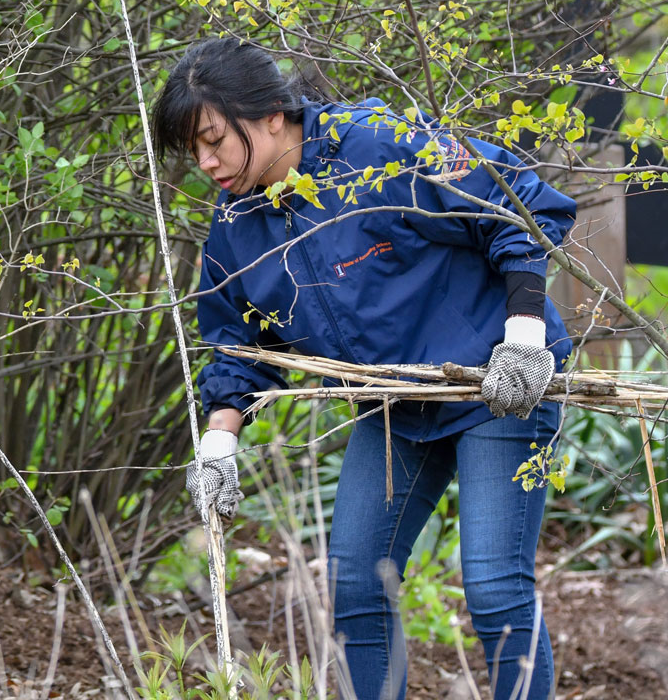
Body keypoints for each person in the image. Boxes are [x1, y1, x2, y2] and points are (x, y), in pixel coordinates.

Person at [152, 38, 577, 700]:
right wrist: (219, 443)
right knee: (355, 586)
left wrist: (523, 341)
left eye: (213, 140)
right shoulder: (237, 225)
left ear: (269, 113)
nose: (206, 163)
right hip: (394, 411)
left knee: (493, 586)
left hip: (499, 388)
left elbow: (515, 202)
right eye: (193, 149)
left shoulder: (377, 145)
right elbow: (238, 344)